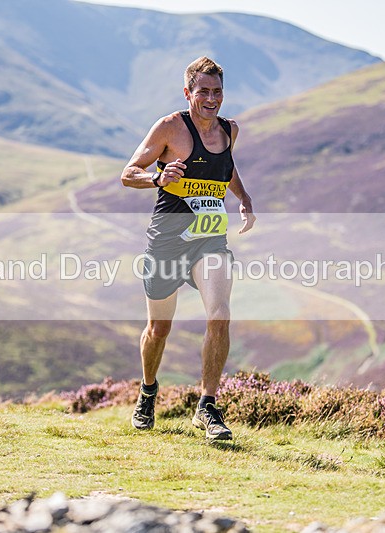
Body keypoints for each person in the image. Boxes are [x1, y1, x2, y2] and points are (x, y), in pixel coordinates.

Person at [121, 57, 256, 440]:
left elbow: (225, 168)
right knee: (159, 328)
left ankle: (207, 406)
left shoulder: (229, 130)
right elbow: (128, 173)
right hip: (167, 240)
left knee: (220, 315)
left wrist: (244, 197)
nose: (211, 99)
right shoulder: (170, 127)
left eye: (217, 92)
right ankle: (148, 391)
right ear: (188, 93)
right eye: (203, 92)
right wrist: (157, 178)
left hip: (209, 240)